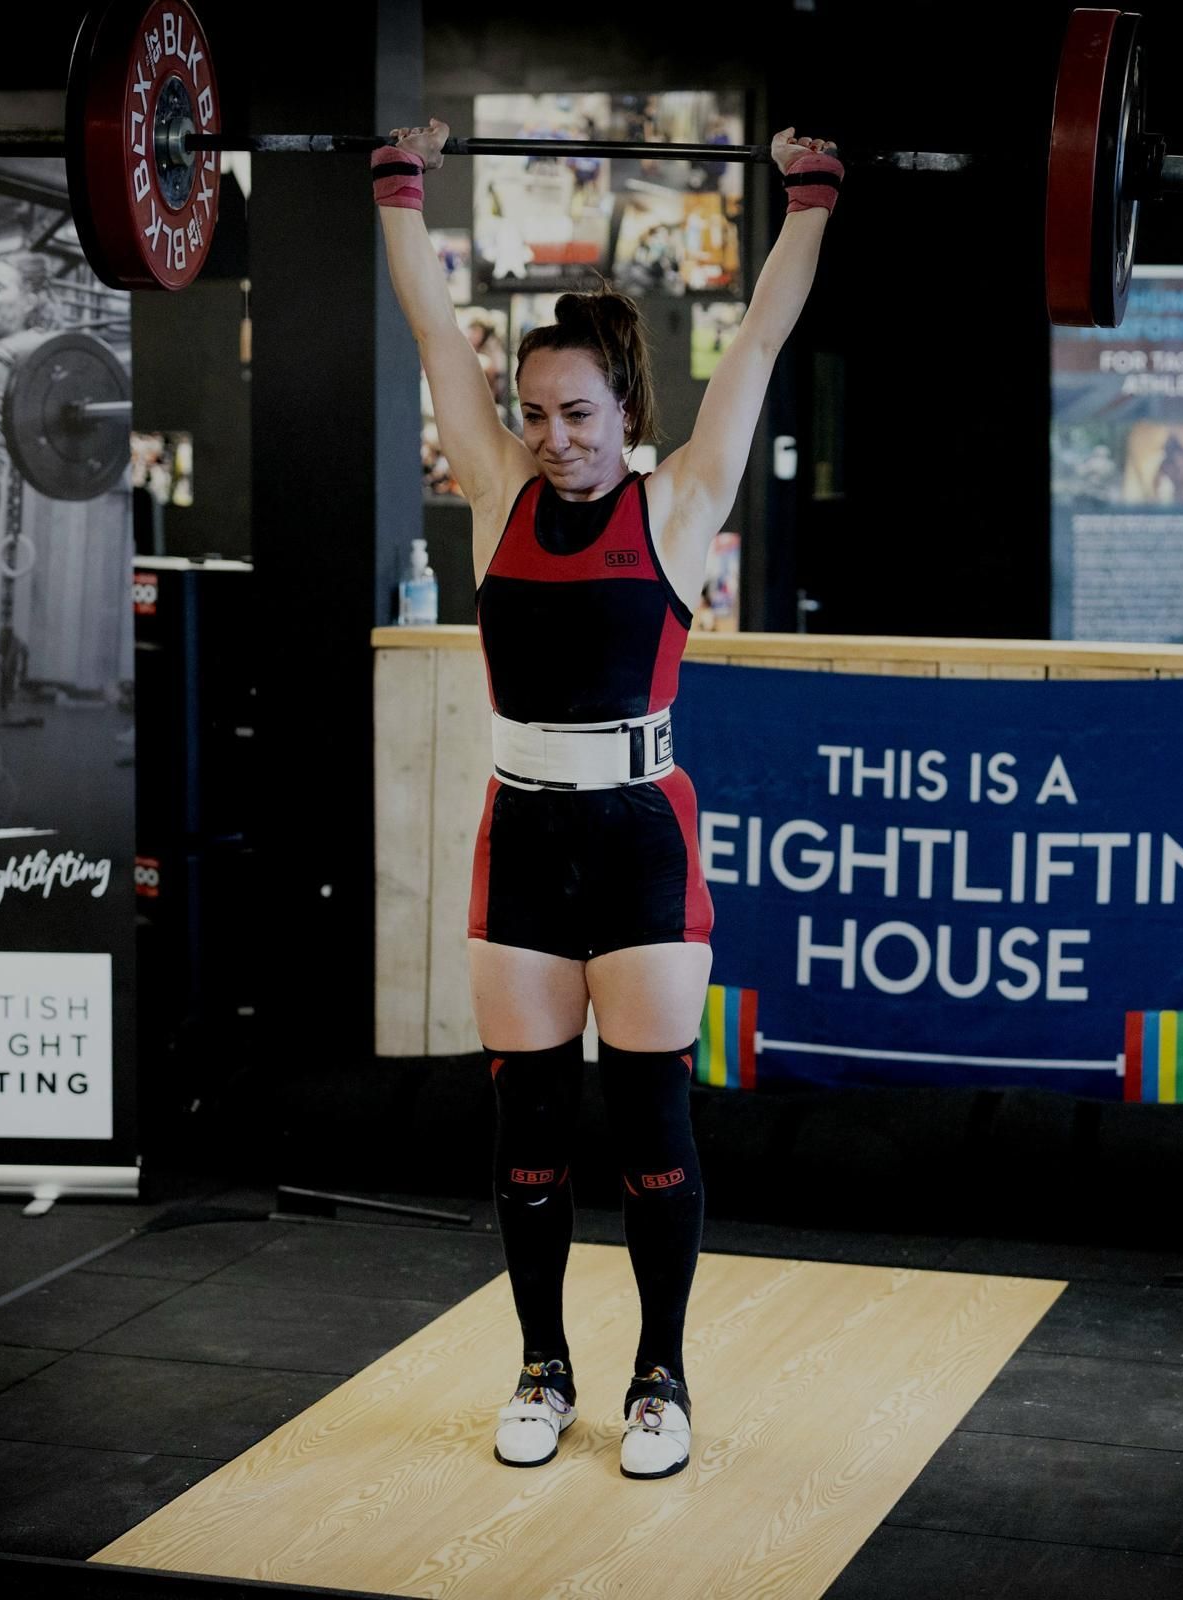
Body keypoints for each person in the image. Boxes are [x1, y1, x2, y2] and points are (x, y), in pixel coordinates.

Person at [372, 118, 842, 1480]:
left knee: (648, 1127)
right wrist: (400, 189)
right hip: (520, 840)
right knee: (526, 1132)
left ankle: (658, 1378)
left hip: (643, 846)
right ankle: (540, 1365)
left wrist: (805, 199)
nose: (554, 437)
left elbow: (750, 346)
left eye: (578, 415)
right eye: (535, 415)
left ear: (627, 411)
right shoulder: (497, 494)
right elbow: (428, 337)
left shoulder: (679, 503)